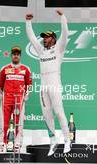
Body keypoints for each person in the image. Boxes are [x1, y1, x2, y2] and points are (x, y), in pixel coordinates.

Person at [25, 10, 71, 156]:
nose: (44, 39)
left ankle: (67, 140)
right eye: (44, 37)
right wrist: (28, 22)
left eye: (47, 37)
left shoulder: (59, 48)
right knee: (46, 114)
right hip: (43, 86)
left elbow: (65, 33)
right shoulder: (41, 50)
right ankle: (53, 141)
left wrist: (62, 17)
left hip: (55, 84)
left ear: (54, 39)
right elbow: (32, 38)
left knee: (59, 112)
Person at [0, 46, 32, 152]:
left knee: (19, 123)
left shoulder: (26, 69)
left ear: (20, 56)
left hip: (19, 100)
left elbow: (29, 84)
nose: (16, 56)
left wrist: (26, 96)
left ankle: (17, 144)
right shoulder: (4, 69)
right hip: (7, 99)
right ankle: (2, 144)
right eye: (14, 54)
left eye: (17, 54)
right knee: (3, 123)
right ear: (11, 55)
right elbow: (0, 84)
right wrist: (2, 96)